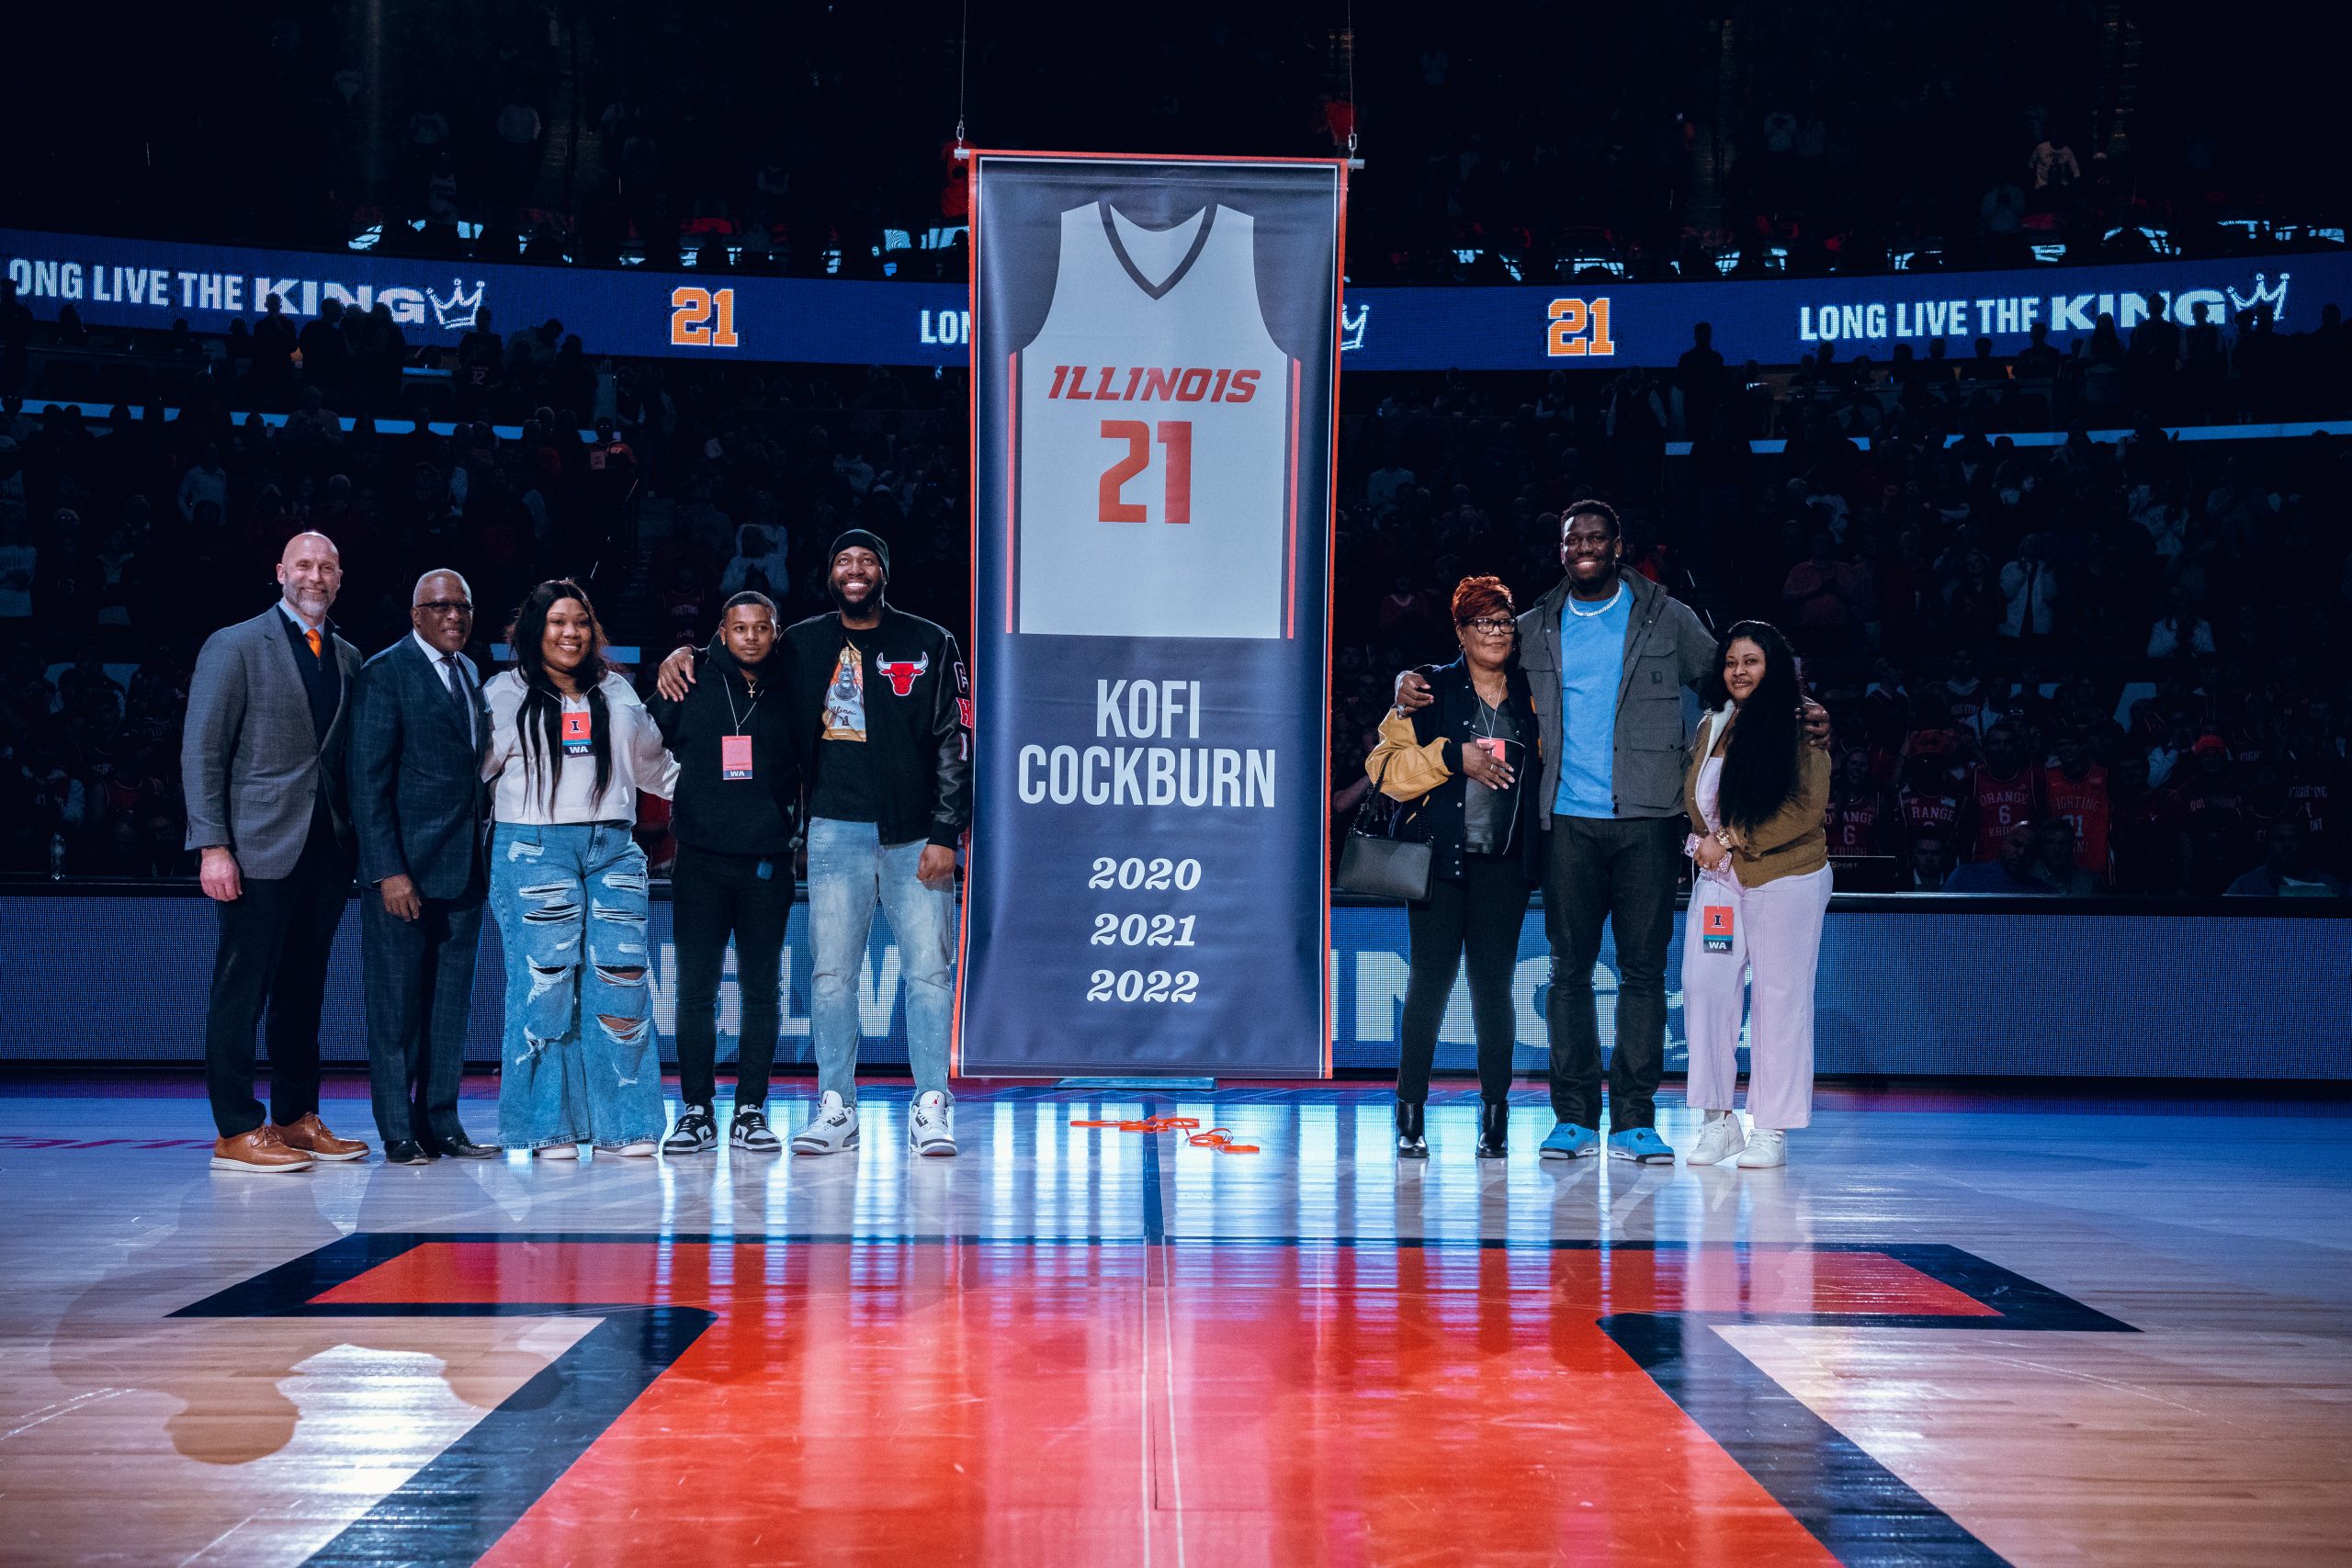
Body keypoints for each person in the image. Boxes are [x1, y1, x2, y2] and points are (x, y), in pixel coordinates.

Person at [1396, 499, 1828, 1163]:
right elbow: (1473, 662)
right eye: (1574, 539)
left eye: (1598, 537)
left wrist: (1799, 707)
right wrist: (1408, 681)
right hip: (1565, 821)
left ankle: (1633, 1118)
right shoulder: (1536, 625)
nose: (1586, 547)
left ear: (1619, 544)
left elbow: (1737, 677)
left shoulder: (1667, 617)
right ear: (1561, 550)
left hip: (1650, 824)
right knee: (1568, 970)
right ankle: (1572, 1116)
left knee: (1643, 971)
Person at [659, 528, 970, 1156]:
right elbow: (738, 660)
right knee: (831, 975)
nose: (854, 570)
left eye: (866, 560)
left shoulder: (931, 640)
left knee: (930, 973)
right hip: (834, 829)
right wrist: (685, 654)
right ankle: (836, 1105)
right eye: (842, 561)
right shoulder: (800, 642)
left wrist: (946, 830)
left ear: (883, 571)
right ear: (830, 575)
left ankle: (932, 1103)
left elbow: (954, 742)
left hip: (916, 836)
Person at [182, 531, 369, 1172]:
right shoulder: (234, 645)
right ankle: (236, 1127)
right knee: (242, 989)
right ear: (280, 572)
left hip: (325, 852)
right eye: (304, 565)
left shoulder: (347, 656)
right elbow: (203, 750)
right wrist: (213, 845)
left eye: (326, 567)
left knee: (303, 991)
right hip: (256, 847)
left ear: (340, 578)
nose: (314, 576)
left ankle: (293, 1117)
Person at [481, 579, 678, 1157]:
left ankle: (628, 1127)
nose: (571, 633)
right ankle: (548, 1127)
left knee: (623, 983)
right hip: (533, 847)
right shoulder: (502, 693)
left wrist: (728, 798)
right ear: (534, 631)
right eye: (557, 622)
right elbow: (471, 771)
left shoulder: (617, 690)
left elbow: (657, 769)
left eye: (581, 623)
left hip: (613, 847)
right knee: (545, 987)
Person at [1363, 577, 1544, 1160]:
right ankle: (1409, 1115)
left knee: (1494, 989)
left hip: (1507, 864)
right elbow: (1381, 768)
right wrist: (1449, 756)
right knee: (1428, 986)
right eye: (1483, 623)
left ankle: (1495, 1116)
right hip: (1439, 863)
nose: (1496, 633)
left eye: (1504, 622)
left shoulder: (1534, 692)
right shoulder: (1428, 690)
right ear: (1461, 633)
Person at [348, 570, 496, 1166]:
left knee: (448, 1007)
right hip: (404, 873)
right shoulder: (386, 673)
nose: (455, 616)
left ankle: (441, 1120)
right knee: (396, 1006)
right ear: (416, 614)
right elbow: (366, 780)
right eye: (441, 607)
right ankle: (397, 1128)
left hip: (463, 870)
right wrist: (388, 870)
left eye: (463, 606)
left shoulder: (470, 673)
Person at [646, 592, 800, 1156]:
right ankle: (695, 1111)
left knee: (762, 992)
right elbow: (641, 743)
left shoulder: (794, 682)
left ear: (776, 633)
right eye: (741, 628)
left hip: (767, 863)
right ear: (722, 631)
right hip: (700, 865)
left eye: (763, 628)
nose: (752, 637)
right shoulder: (688, 679)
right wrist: (677, 792)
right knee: (696, 993)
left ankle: (752, 1111)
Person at [1679, 623, 1833, 1169]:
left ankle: (1771, 1127)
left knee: (1779, 1001)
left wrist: (1729, 839)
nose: (1739, 672)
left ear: (1775, 667)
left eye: (1752, 661)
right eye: (1731, 662)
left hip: (1784, 876)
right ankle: (1717, 1122)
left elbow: (1805, 807)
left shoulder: (1802, 724)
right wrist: (1706, 840)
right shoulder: (1713, 722)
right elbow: (1698, 798)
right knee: (1706, 989)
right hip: (1720, 883)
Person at [2225, 818, 2346, 897]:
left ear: (2303, 843)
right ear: (2269, 844)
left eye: (2293, 839)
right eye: (2279, 839)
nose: (2287, 845)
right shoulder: (2245, 886)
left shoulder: (2330, 885)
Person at [1945, 821, 2054, 891]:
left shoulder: (2043, 893)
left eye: (2029, 849)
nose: (2021, 853)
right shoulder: (1965, 876)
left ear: (2036, 855)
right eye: (2016, 845)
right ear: (2004, 843)